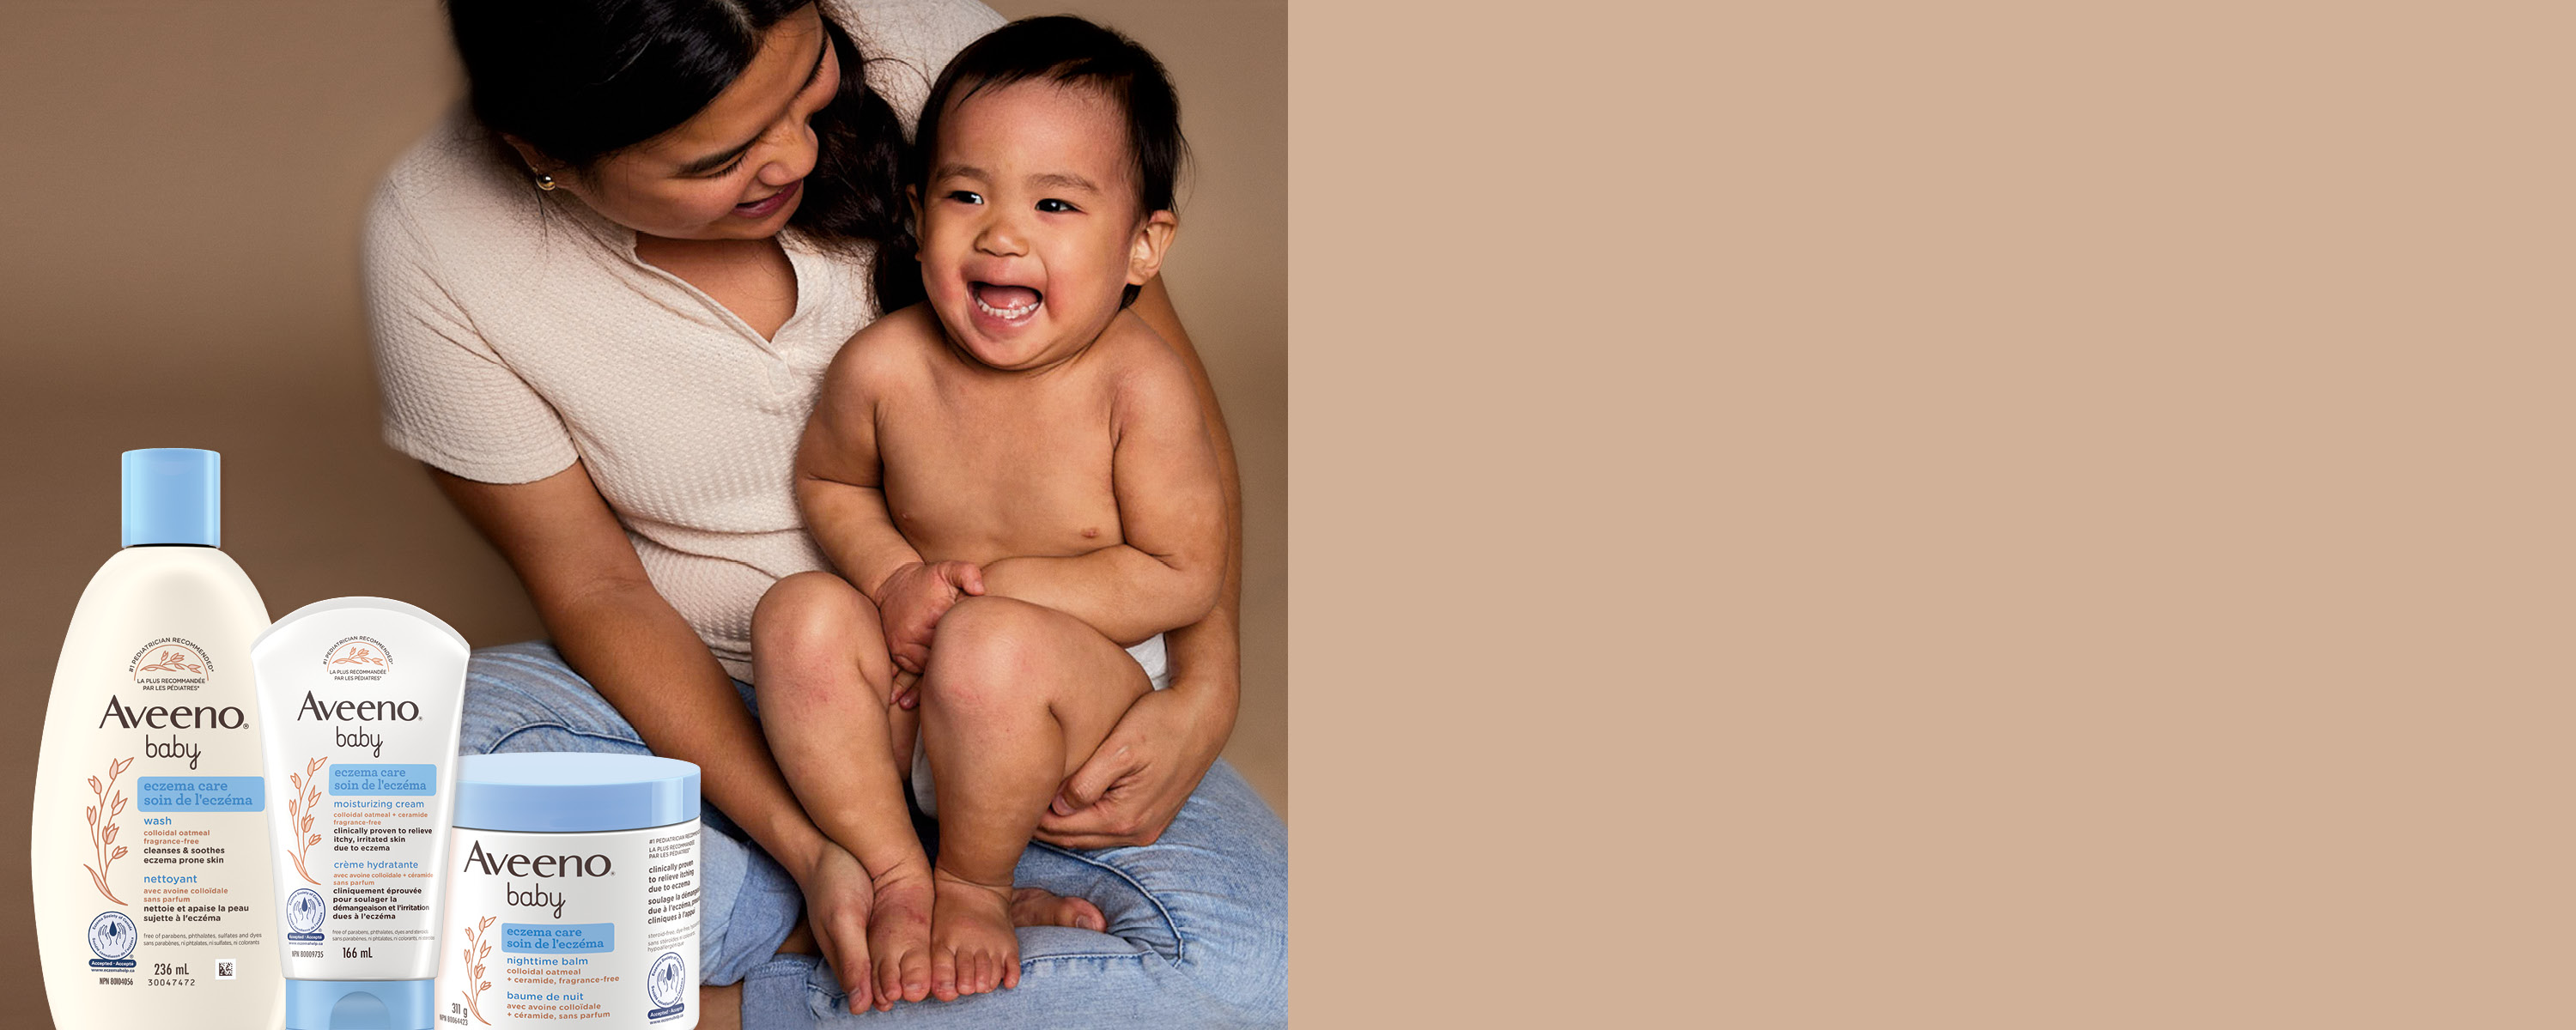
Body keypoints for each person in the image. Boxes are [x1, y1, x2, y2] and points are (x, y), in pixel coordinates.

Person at [361, 1, 1285, 1026]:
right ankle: (883, 916)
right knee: (387, 800)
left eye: (811, 86)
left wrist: (1207, 685)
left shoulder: (990, 83)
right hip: (735, 699)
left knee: (1256, 968)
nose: (797, 153)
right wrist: (821, 851)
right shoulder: (442, 241)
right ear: (548, 156)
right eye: (720, 154)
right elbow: (599, 586)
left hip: (1045, 729)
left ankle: (687, 983)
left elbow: (1175, 512)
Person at [753, 15, 1219, 1009]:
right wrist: (889, 579)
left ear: (1143, 246)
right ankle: (894, 874)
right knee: (797, 615)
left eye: (1055, 203)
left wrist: (990, 596)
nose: (1001, 231)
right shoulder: (886, 366)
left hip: (1062, 716)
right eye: (967, 194)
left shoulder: (1141, 386)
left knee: (994, 647)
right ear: (918, 216)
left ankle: (977, 884)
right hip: (909, 704)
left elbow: (1181, 572)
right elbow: (833, 485)